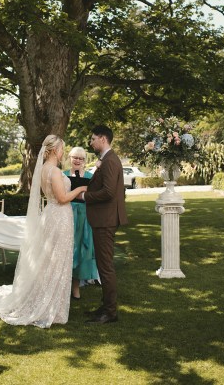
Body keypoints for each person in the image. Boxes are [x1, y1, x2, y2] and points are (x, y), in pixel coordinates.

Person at [0, 134, 88, 328]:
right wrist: (81, 188)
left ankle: (50, 300)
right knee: (57, 260)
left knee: (50, 260)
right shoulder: (55, 172)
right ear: (52, 150)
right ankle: (51, 306)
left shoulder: (42, 170)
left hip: (51, 215)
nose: (63, 152)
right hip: (59, 217)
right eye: (61, 149)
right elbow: (62, 198)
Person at [81, 125, 128, 324]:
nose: (91, 143)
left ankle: (110, 312)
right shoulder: (108, 159)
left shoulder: (109, 161)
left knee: (105, 267)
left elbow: (108, 192)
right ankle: (105, 306)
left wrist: (85, 196)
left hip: (105, 220)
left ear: (102, 139)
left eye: (93, 139)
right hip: (105, 219)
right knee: (103, 265)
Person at [63, 147, 98, 300]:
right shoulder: (62, 175)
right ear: (70, 158)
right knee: (66, 249)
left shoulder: (91, 176)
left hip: (84, 216)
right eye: (74, 157)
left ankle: (76, 287)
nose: (77, 160)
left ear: (85, 161)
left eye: (81, 158)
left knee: (81, 250)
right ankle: (61, 287)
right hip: (67, 214)